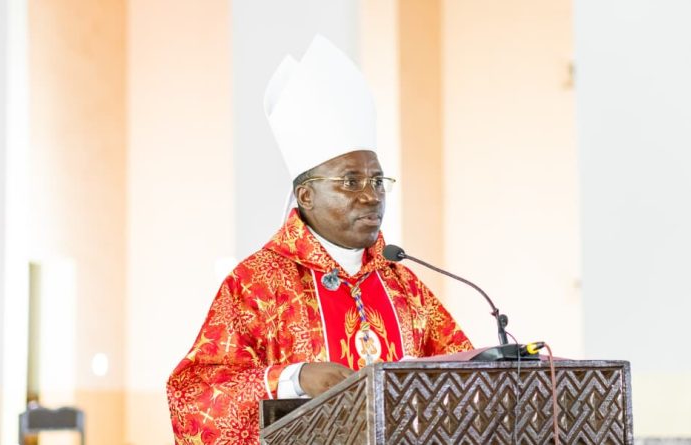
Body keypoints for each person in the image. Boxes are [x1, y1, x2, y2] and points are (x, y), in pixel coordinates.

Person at [166, 36, 471, 445]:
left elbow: (465, 379)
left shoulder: (404, 286)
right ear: (306, 195)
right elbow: (193, 398)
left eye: (378, 181)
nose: (371, 196)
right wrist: (293, 378)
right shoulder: (256, 285)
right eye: (351, 181)